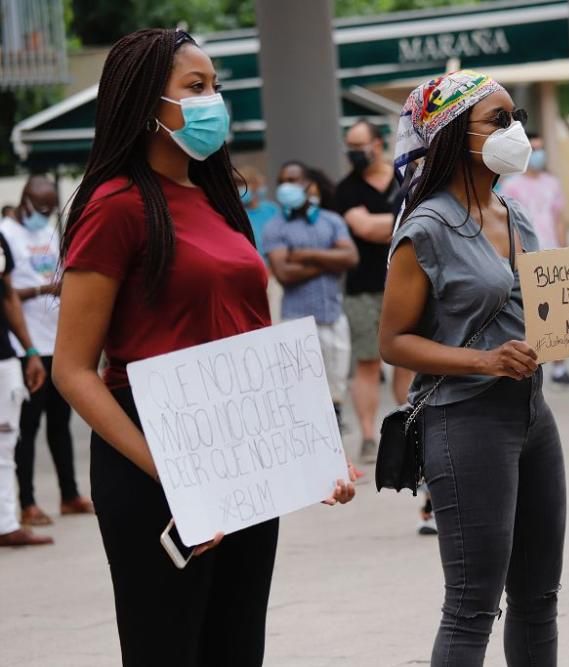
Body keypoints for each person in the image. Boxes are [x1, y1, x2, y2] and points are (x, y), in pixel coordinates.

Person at [51, 29, 355, 666]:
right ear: (145, 104)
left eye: (215, 86)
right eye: (195, 87)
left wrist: (307, 450)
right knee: (168, 649)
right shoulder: (114, 206)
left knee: (237, 648)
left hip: (242, 457)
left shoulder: (219, 201)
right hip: (153, 457)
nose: (213, 100)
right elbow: (73, 370)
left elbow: (248, 338)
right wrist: (178, 478)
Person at [380, 69, 569, 666]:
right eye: (499, 120)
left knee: (539, 596)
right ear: (450, 136)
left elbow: (540, 313)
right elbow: (393, 342)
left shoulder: (512, 214)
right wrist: (482, 360)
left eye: (516, 117)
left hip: (532, 415)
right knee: (471, 606)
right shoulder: (427, 228)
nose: (515, 130)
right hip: (463, 421)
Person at [2, 175, 93, 527]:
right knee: (27, 427)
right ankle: (27, 503)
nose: (44, 215)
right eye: (40, 209)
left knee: (61, 424)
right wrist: (43, 289)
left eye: (50, 209)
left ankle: (69, 494)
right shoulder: (7, 235)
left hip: (57, 341)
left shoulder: (47, 231)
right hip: (27, 347)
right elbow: (6, 293)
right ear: (25, 202)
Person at [332, 120, 414, 462]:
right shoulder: (346, 189)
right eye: (349, 146)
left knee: (407, 361)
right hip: (363, 288)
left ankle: (411, 428)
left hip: (406, 283)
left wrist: (395, 222)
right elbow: (365, 229)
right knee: (366, 362)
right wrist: (403, 218)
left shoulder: (404, 175)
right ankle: (369, 436)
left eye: (359, 145)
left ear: (378, 144)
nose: (354, 153)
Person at [262, 161, 358, 430]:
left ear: (309, 184)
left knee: (337, 381)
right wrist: (330, 260)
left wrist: (304, 255)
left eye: (293, 180)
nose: (287, 187)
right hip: (298, 318)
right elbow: (284, 273)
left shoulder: (331, 221)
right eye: (283, 181)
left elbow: (350, 257)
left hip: (333, 314)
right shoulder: (275, 227)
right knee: (305, 389)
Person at [499, 132, 569, 386]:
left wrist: (564, 251)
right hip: (526, 258)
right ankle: (529, 362)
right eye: (533, 149)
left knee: (558, 311)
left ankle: (559, 368)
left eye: (541, 148)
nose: (538, 154)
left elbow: (559, 219)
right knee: (528, 313)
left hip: (551, 254)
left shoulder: (551, 183)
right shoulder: (511, 186)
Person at [0, 228, 49, 547]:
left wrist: (30, 350)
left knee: (4, 445)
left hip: (4, 358)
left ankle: (6, 525)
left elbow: (8, 295)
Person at [236, 164, 279, 256]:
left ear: (255, 185)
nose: (237, 188)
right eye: (235, 184)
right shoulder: (236, 214)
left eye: (241, 183)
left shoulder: (271, 209)